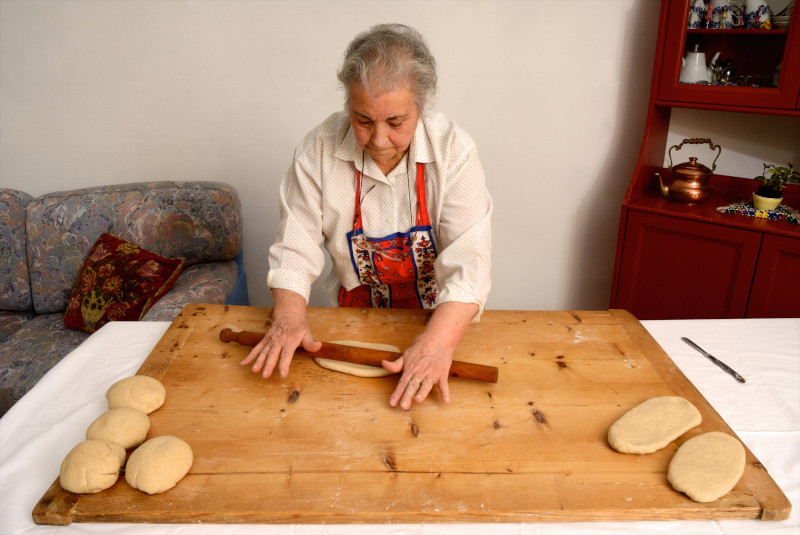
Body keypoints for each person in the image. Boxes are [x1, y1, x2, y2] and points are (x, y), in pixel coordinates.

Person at [241, 23, 492, 410]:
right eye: (362, 120)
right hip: (354, 321)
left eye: (395, 123)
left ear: (421, 104)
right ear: (347, 104)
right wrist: (289, 316)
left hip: (443, 322)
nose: (378, 140)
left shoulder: (453, 150)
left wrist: (437, 344)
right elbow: (295, 245)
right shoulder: (318, 149)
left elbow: (469, 262)